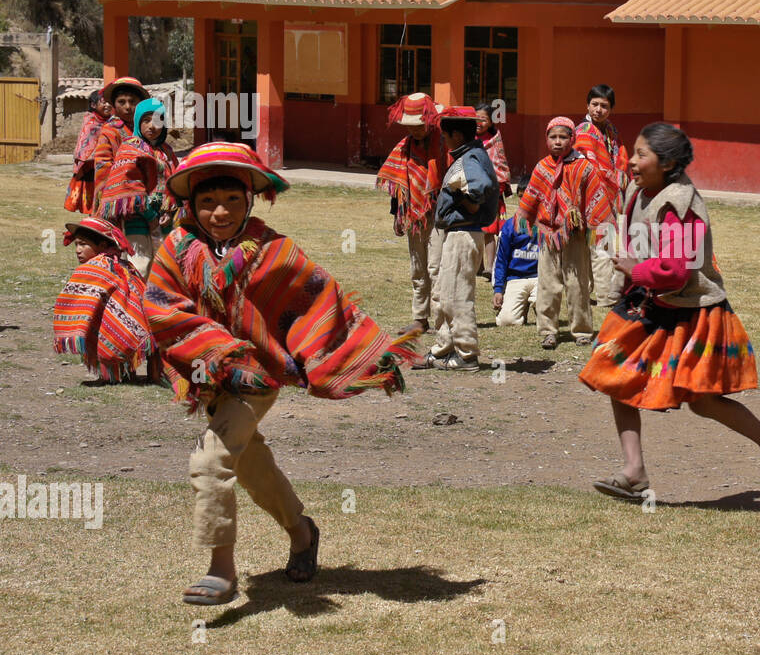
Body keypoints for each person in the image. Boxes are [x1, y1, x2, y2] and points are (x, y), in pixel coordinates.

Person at [143, 142, 417, 605]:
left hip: (257, 376)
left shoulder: (272, 248)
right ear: (191, 205)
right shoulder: (176, 248)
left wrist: (360, 352)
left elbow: (317, 297)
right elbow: (162, 308)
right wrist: (217, 352)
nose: (220, 212)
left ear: (249, 201)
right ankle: (302, 531)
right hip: (210, 376)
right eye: (208, 202)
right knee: (250, 464)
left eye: (232, 200)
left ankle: (220, 570)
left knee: (209, 461)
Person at [580, 123, 760, 501]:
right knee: (615, 374)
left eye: (641, 155)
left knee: (703, 401)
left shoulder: (682, 205)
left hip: (691, 310)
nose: (631, 161)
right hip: (649, 303)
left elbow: (678, 270)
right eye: (633, 152)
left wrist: (636, 269)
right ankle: (634, 473)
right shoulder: (639, 190)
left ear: (666, 163)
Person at [515, 116, 615, 349]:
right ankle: (548, 330)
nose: (558, 142)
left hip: (576, 235)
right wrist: (525, 218)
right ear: (546, 139)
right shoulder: (542, 167)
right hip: (548, 235)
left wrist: (592, 224)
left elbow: (594, 198)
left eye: (563, 137)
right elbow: (532, 196)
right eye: (553, 137)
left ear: (573, 139)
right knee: (548, 283)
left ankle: (581, 330)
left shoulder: (584, 167)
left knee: (577, 282)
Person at [412, 106, 499, 371]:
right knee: (444, 293)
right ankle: (442, 349)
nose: (444, 141)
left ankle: (467, 354)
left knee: (457, 295)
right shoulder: (468, 154)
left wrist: (463, 196)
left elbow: (481, 186)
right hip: (458, 233)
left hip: (464, 233)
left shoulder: (469, 159)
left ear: (457, 136)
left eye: (446, 136)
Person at [53, 216, 154, 383]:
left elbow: (71, 300)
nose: (78, 250)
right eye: (76, 244)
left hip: (123, 327)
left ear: (101, 246)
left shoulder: (94, 267)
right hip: (141, 329)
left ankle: (111, 373)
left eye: (83, 244)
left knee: (101, 319)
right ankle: (128, 372)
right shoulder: (123, 265)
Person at [376, 93, 446, 335]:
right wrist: (397, 213)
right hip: (413, 215)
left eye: (419, 126)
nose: (414, 130)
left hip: (439, 214)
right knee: (418, 267)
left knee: (436, 267)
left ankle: (441, 318)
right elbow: (398, 184)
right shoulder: (403, 148)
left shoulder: (443, 144)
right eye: (410, 126)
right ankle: (420, 317)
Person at [97, 97, 179, 274]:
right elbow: (128, 187)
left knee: (164, 269)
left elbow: (175, 182)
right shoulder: (130, 148)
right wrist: (150, 217)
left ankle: (156, 301)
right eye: (146, 120)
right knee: (140, 266)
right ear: (138, 122)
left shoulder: (167, 151)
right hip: (138, 219)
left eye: (157, 120)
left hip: (164, 221)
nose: (152, 126)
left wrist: (168, 211)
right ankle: (136, 301)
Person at [574, 84, 626, 306]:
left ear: (611, 109)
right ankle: (601, 295)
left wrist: (617, 177)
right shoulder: (583, 132)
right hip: (587, 196)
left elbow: (620, 157)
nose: (598, 110)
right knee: (593, 248)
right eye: (594, 104)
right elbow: (582, 165)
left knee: (599, 247)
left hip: (607, 197)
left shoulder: (612, 131)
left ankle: (597, 294)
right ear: (587, 105)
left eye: (604, 106)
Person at [90, 77, 149, 213]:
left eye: (132, 102)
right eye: (121, 102)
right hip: (116, 197)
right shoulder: (110, 131)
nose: (128, 107)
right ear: (114, 105)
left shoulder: (147, 129)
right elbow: (103, 166)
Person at [475, 103, 513, 280]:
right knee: (475, 230)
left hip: (491, 193)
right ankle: (478, 265)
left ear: (490, 122)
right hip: (473, 192)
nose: (479, 122)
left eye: (483, 119)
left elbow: (500, 164)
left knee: (490, 232)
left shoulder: (495, 139)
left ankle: (489, 267)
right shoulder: (469, 139)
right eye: (476, 119)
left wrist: (500, 186)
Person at [64, 87, 112, 214]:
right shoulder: (91, 123)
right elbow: (84, 149)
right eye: (103, 102)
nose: (107, 105)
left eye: (109, 102)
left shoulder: (112, 122)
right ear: (93, 105)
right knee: (94, 206)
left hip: (108, 168)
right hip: (90, 170)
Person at [492, 214, 540, 327]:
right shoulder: (510, 225)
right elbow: (501, 259)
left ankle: (539, 310)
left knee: (547, 316)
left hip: (540, 277)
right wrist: (498, 289)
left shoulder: (546, 223)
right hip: (516, 278)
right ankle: (521, 307)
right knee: (505, 321)